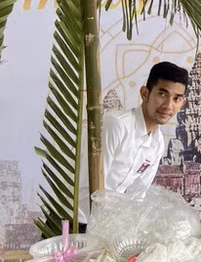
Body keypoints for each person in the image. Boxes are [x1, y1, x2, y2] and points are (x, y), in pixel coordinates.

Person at [78, 61, 188, 224]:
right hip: (76, 223)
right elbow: (90, 187)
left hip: (109, 226)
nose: (168, 105)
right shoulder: (116, 125)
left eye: (176, 98)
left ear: (182, 103)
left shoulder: (157, 144)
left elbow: (137, 196)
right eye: (162, 94)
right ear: (145, 93)